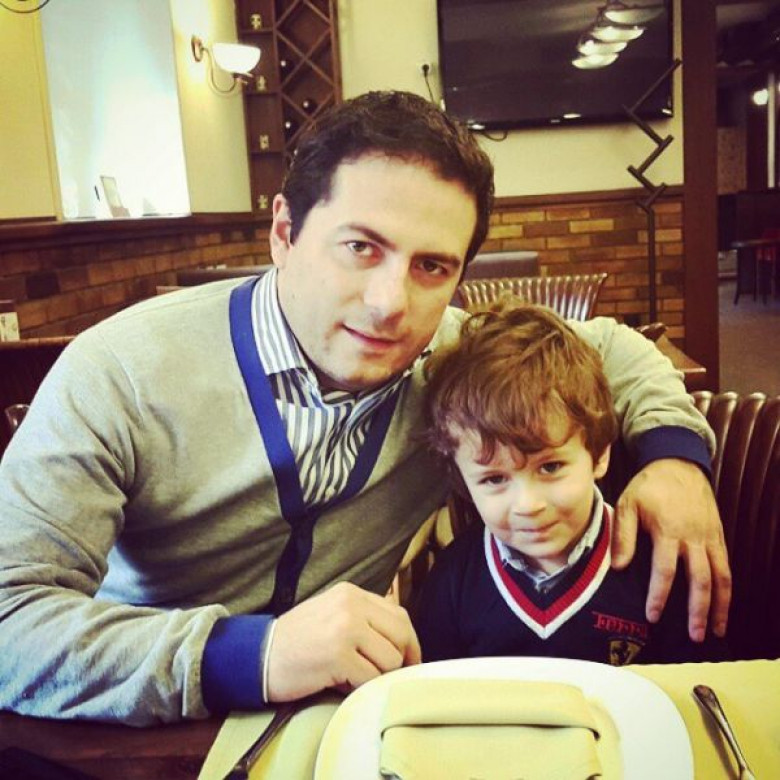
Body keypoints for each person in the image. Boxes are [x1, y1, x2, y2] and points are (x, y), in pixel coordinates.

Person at [0, 91, 729, 726]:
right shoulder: (119, 370)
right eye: (359, 247)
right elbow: (10, 622)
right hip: (143, 722)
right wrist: (254, 654)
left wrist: (674, 460)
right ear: (284, 232)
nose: (389, 304)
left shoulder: (453, 363)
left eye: (431, 266)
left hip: (340, 717)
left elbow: (614, 348)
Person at [413, 302, 728, 664]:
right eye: (494, 478)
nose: (527, 505)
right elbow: (435, 687)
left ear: (600, 453)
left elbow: (698, 682)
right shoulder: (453, 580)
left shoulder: (659, 564)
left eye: (550, 467)